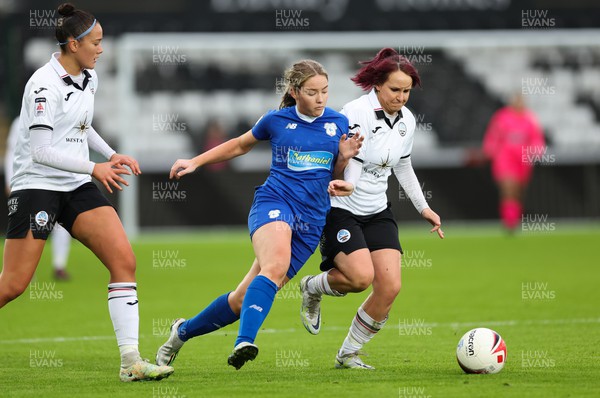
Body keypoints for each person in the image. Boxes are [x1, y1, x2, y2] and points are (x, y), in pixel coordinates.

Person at [0, 3, 174, 382]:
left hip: (75, 184)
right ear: (72, 44)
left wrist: (111, 154)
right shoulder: (43, 85)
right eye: (95, 42)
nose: (101, 49)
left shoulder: (88, 77)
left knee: (124, 261)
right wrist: (95, 167)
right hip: (37, 186)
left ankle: (131, 362)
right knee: (12, 285)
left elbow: (83, 125)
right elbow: (42, 152)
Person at [156, 59, 363, 370]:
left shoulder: (339, 123)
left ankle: (181, 333)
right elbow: (240, 145)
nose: (321, 99)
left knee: (242, 300)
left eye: (325, 91)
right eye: (312, 92)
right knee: (276, 264)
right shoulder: (276, 121)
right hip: (275, 202)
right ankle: (244, 342)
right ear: (295, 92)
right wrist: (196, 161)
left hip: (311, 220)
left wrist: (344, 160)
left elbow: (333, 177)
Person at [298, 48, 445, 370]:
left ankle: (348, 353)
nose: (401, 97)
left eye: (406, 90)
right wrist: (349, 183)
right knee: (360, 278)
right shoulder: (355, 111)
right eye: (395, 89)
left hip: (378, 209)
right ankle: (311, 286)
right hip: (341, 206)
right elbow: (348, 158)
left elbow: (403, 167)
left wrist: (424, 208)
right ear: (377, 84)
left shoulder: (407, 120)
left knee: (390, 287)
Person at [5, 116, 72, 281]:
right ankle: (25, 270)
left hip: (57, 181)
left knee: (61, 224)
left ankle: (59, 265)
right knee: (30, 228)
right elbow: (11, 151)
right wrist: (9, 179)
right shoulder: (19, 121)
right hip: (30, 181)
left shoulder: (59, 118)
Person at [482, 93, 545, 231]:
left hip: (523, 161)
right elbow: (493, 136)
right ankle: (509, 222)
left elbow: (536, 138)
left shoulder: (529, 119)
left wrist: (536, 151)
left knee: (518, 192)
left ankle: (514, 218)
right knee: (508, 188)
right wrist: (490, 151)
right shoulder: (501, 118)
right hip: (505, 159)